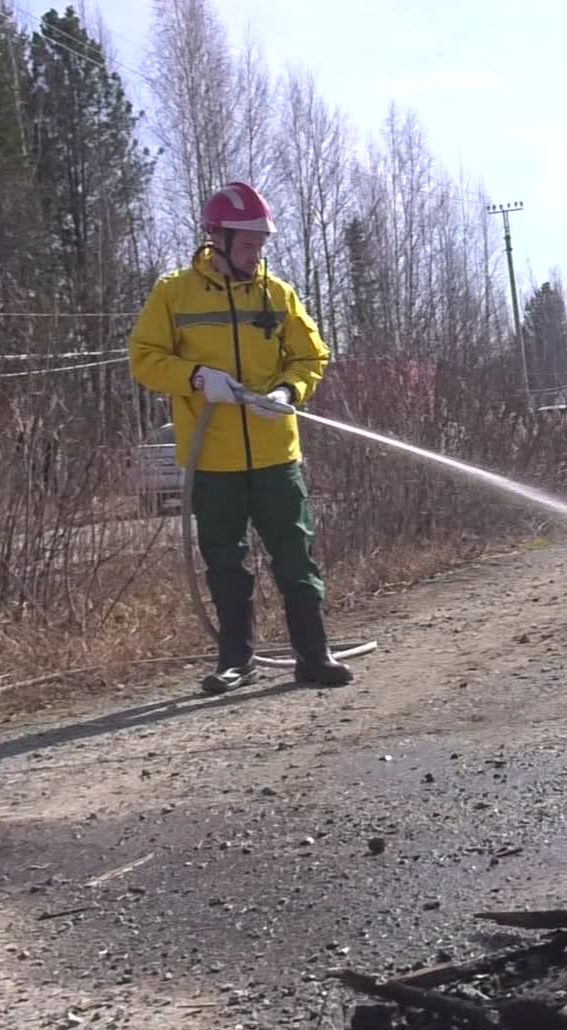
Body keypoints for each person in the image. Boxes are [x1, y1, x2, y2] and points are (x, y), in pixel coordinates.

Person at [128, 180, 353, 693]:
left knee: (295, 555)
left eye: (262, 244)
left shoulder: (278, 293)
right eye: (248, 243)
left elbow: (312, 356)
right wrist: (196, 378)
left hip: (277, 456)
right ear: (219, 239)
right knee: (225, 561)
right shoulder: (173, 293)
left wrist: (289, 392)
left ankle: (314, 656)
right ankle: (236, 661)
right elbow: (144, 358)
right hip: (212, 459)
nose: (257, 254)